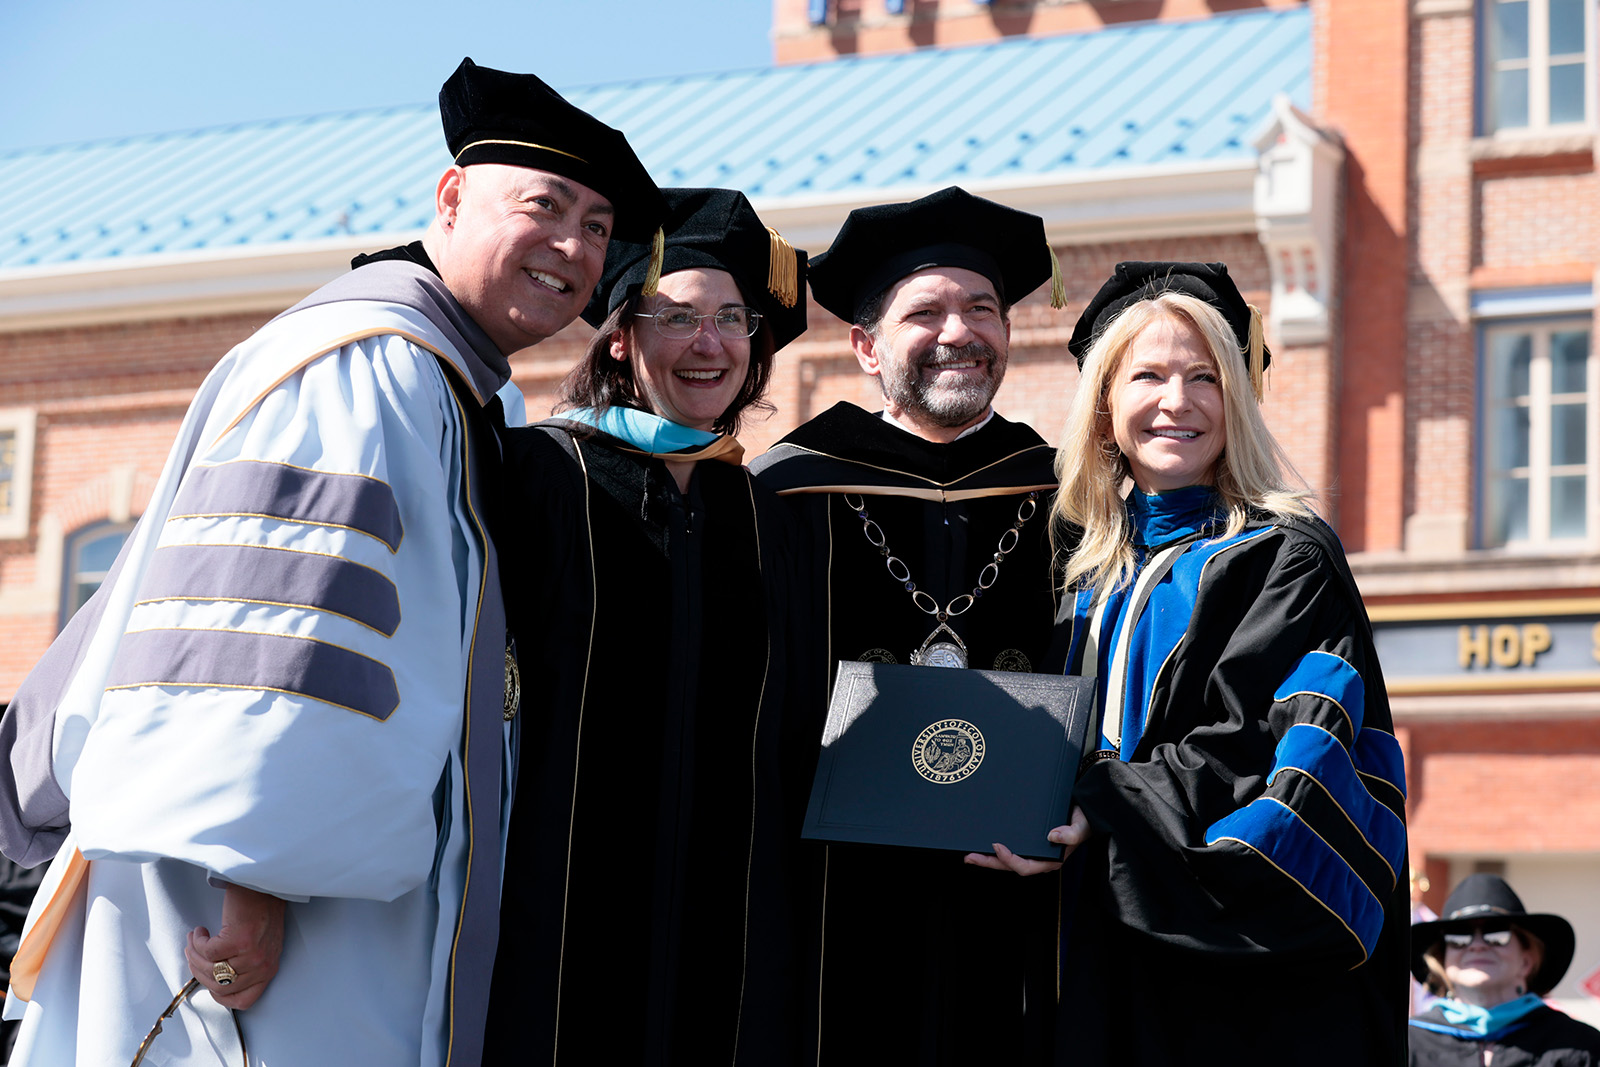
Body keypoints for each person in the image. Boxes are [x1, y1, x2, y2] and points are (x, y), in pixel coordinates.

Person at [0, 58, 663, 1066]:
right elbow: (289, 641)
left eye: (599, 230)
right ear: (450, 196)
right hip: (260, 908)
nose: (573, 247)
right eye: (546, 207)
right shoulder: (369, 365)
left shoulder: (462, 391)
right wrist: (257, 884)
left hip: (344, 885)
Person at [1044, 261, 1410, 1065]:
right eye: (1148, 375)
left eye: (1205, 376)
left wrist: (1094, 804)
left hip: (1230, 962)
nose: (1177, 401)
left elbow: (1254, 746)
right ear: (1105, 410)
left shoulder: (1284, 555)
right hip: (1086, 931)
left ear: (1237, 401)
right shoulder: (1077, 565)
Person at [482, 188, 811, 1065]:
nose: (711, 344)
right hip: (551, 915)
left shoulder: (769, 516)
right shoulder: (538, 476)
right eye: (679, 317)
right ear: (620, 335)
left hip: (736, 929)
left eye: (734, 320)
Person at [750, 185, 1068, 1065]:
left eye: (982, 308)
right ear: (864, 345)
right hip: (825, 905)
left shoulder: (1068, 498)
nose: (959, 330)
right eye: (923, 311)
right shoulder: (780, 495)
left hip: (1015, 906)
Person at [1410, 873, 1600, 1066]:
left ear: (1527, 960)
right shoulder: (1407, 1046)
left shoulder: (1582, 1047)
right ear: (1442, 960)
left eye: (1496, 934)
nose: (1477, 945)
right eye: (1459, 936)